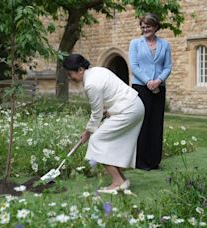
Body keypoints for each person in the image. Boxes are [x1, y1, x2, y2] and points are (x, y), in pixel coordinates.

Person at [63, 54, 145, 193]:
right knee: (110, 143)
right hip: (133, 106)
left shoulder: (91, 84)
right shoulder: (98, 71)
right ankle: (121, 180)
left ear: (81, 69)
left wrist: (88, 132)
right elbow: (111, 96)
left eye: (71, 73)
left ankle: (118, 182)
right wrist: (108, 112)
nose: (70, 77)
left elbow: (96, 113)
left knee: (97, 141)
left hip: (128, 110)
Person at [129, 13, 172, 171]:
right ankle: (140, 162)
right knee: (142, 123)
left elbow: (167, 67)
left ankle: (154, 162)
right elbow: (134, 66)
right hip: (141, 87)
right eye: (143, 26)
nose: (145, 29)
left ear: (155, 27)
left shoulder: (165, 45)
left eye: (148, 26)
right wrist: (148, 82)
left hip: (159, 88)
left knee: (156, 124)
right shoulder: (135, 43)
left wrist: (158, 81)